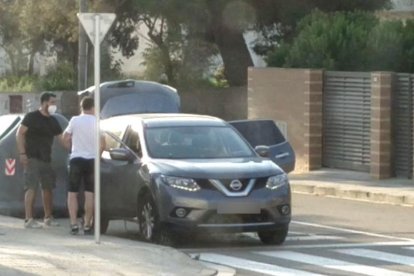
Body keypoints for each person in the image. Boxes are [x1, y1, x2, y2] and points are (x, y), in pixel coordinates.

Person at [16, 91, 63, 229]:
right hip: (32, 158)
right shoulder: (31, 117)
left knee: (48, 188)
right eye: (52, 102)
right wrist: (22, 153)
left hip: (46, 159)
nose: (54, 105)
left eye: (55, 103)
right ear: (44, 103)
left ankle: (48, 217)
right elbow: (19, 134)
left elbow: (63, 140)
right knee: (31, 188)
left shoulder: (53, 121)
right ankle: (28, 219)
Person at [63, 96, 105, 235]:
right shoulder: (97, 122)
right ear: (93, 107)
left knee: (72, 193)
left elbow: (66, 137)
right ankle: (87, 224)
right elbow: (103, 143)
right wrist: (97, 156)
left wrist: (70, 149)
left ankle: (74, 224)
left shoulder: (75, 120)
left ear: (82, 107)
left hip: (76, 159)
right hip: (91, 160)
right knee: (89, 194)